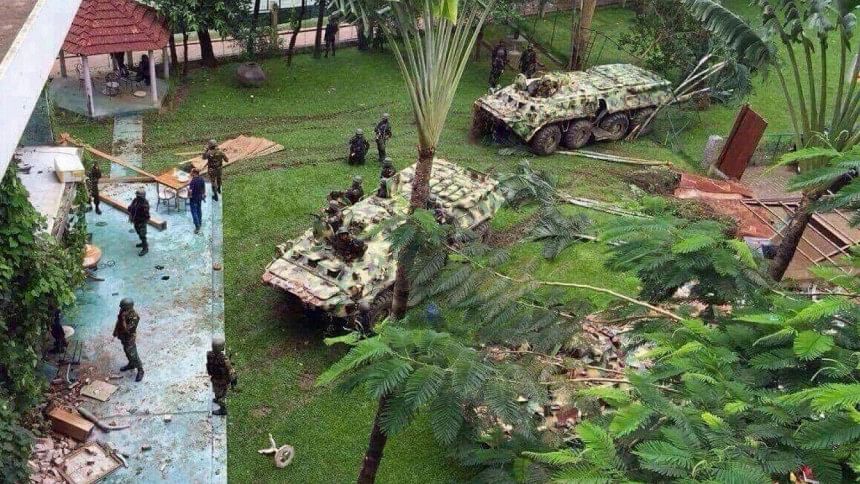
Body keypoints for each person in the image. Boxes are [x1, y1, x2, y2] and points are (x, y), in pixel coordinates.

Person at [113, 298, 144, 382]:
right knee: (126, 351)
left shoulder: (135, 317)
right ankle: (131, 364)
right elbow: (118, 321)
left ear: (128, 307)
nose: (121, 309)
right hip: (123, 336)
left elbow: (127, 330)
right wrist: (115, 331)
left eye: (123, 307)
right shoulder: (123, 311)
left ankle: (140, 370)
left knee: (133, 354)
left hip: (129, 337)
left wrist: (123, 319)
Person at [206, 335, 236, 416]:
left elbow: (231, 371)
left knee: (219, 394)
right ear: (222, 348)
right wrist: (233, 380)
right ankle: (220, 404)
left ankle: (222, 407)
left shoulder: (210, 355)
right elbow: (231, 371)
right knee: (219, 394)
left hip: (218, 380)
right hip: (219, 381)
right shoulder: (224, 360)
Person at [127, 188, 150, 256]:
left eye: (139, 196)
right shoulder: (135, 200)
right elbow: (131, 207)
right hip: (136, 221)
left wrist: (142, 221)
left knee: (142, 235)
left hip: (141, 222)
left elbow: (146, 215)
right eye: (137, 195)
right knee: (138, 232)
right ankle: (143, 243)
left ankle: (145, 248)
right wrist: (130, 209)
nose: (137, 197)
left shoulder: (144, 204)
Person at [189, 168, 206, 234]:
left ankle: (197, 227)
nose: (190, 173)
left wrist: (189, 196)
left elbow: (190, 191)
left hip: (193, 199)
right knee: (199, 210)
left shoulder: (193, 181)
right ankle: (200, 222)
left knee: (194, 212)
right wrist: (203, 195)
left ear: (194, 173)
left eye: (191, 172)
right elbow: (203, 188)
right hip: (199, 198)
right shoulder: (201, 179)